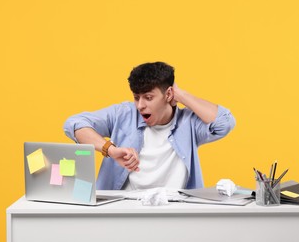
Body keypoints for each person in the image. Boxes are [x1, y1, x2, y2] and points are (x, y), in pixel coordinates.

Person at [63, 61, 236, 190]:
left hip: (175, 212)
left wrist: (181, 95)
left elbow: (224, 122)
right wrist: (111, 149)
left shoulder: (189, 123)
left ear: (168, 94)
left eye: (148, 97)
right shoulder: (124, 114)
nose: (140, 106)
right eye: (136, 97)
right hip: (125, 210)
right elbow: (74, 124)